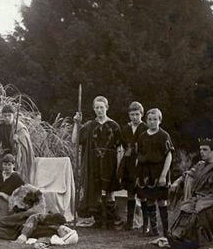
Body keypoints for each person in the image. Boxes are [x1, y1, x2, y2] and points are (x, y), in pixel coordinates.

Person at [168, 138, 213, 249]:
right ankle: (183, 237)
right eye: (201, 149)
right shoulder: (200, 165)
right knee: (186, 208)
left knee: (200, 211)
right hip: (198, 200)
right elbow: (187, 175)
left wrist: (203, 201)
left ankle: (203, 241)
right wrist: (176, 182)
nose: (201, 152)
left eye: (205, 150)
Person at [72, 96, 122, 228]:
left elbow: (120, 147)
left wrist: (119, 166)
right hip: (93, 163)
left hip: (109, 162)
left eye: (102, 107)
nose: (99, 110)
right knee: (97, 192)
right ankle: (99, 220)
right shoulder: (89, 126)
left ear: (107, 107)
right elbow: (75, 140)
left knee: (110, 191)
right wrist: (76, 123)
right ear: (94, 109)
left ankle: (110, 221)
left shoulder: (114, 126)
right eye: (97, 107)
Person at [135, 108, 174, 238]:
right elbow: (139, 155)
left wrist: (163, 175)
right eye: (150, 119)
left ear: (160, 121)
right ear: (146, 121)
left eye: (155, 119)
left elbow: (168, 156)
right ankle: (154, 229)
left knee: (162, 201)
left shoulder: (164, 136)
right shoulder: (142, 136)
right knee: (149, 200)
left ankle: (166, 231)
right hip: (146, 172)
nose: (152, 122)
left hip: (159, 171)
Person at [118, 101, 148, 231]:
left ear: (141, 114)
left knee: (143, 194)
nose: (134, 117)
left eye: (137, 114)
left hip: (141, 164)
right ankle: (130, 222)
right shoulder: (125, 129)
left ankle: (145, 224)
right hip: (129, 163)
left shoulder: (146, 128)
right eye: (132, 115)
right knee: (130, 193)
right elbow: (124, 146)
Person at [0, 104, 34, 183]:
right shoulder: (0, 127)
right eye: (5, 116)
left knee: (13, 162)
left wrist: (17, 140)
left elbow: (25, 146)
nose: (7, 118)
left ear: (14, 116)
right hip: (5, 153)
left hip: (18, 154)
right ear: (2, 116)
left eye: (9, 116)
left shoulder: (20, 128)